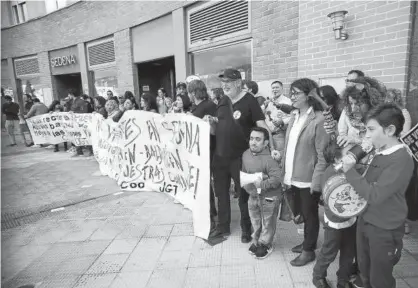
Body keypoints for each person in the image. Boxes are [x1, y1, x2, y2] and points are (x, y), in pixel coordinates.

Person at [340, 103, 414, 288]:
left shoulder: (402, 158)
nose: (367, 135)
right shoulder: (379, 151)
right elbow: (368, 179)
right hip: (366, 218)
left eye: (371, 129)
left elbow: (375, 194)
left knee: (380, 276)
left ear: (390, 130)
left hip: (385, 226)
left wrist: (350, 172)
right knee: (365, 268)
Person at [213, 68, 280, 243]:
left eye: (227, 82)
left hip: (240, 158)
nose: (224, 85)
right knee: (221, 193)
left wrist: (271, 148)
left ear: (237, 83)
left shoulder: (249, 101)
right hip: (220, 156)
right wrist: (211, 123)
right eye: (223, 82)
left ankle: (246, 229)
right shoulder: (222, 100)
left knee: (245, 195)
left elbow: (262, 126)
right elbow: (218, 126)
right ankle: (223, 227)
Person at [282, 78, 329, 267]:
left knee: (310, 215)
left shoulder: (319, 119)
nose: (291, 96)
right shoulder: (294, 116)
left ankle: (308, 250)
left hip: (308, 178)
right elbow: (290, 146)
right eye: (291, 92)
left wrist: (316, 182)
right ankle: (307, 242)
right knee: (300, 212)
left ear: (309, 95)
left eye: (296, 93)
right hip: (292, 173)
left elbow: (322, 155)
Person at [312, 140, 356, 288]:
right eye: (348, 154)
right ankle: (318, 276)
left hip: (351, 218)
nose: (353, 156)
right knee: (329, 250)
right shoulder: (330, 174)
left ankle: (343, 280)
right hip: (334, 220)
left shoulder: (350, 169)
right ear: (337, 159)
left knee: (349, 251)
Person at [242, 127, 281, 259]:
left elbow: (276, 180)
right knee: (256, 220)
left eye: (258, 140)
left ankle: (266, 244)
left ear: (265, 143)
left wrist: (262, 184)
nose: (253, 142)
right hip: (253, 195)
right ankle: (257, 240)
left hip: (269, 197)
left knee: (268, 221)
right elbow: (244, 171)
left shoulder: (270, 159)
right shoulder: (246, 154)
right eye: (252, 138)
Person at [188, 79, 218, 232]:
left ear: (194, 92)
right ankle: (208, 213)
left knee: (205, 184)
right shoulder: (198, 107)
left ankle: (211, 216)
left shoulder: (209, 106)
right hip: (200, 151)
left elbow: (214, 129)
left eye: (190, 92)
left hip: (207, 150)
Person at [264, 80, 292, 156]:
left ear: (282, 88)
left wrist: (282, 121)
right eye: (273, 88)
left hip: (279, 134)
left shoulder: (287, 101)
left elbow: (293, 116)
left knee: (279, 156)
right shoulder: (269, 101)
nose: (275, 90)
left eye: (277, 87)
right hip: (268, 135)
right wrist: (265, 106)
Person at [68, 89, 92, 157]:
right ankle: (79, 151)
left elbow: (83, 111)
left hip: (80, 121)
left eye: (69, 94)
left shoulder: (80, 101)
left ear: (72, 94)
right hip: (76, 121)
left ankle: (89, 150)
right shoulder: (73, 101)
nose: (68, 96)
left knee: (84, 135)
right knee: (77, 136)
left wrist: (75, 113)